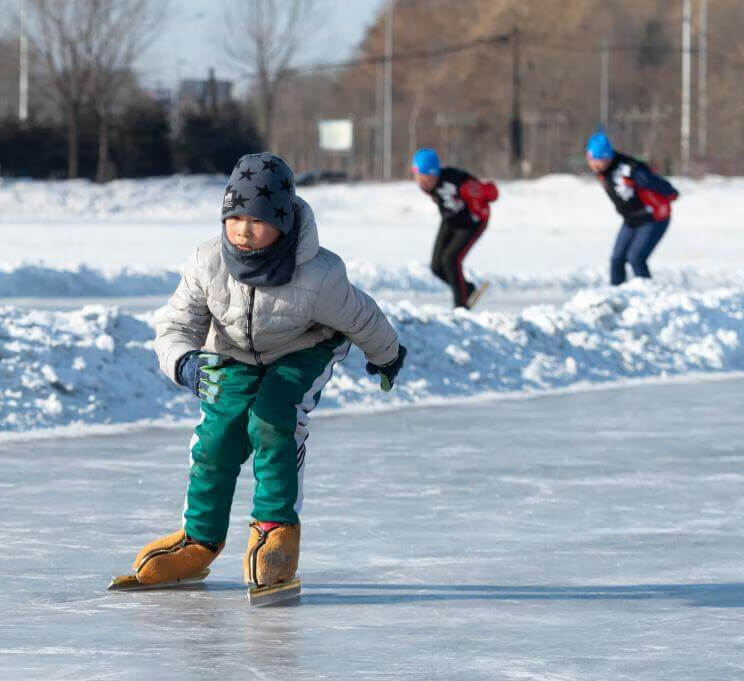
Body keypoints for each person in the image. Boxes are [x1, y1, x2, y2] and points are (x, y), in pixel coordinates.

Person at [132, 152, 408, 591]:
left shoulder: (319, 273)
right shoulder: (207, 261)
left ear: (282, 220)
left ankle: (275, 531)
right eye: (234, 217)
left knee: (273, 419)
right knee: (217, 437)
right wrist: (184, 362)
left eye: (257, 219)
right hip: (232, 354)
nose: (243, 230)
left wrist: (387, 355)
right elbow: (175, 325)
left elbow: (361, 317)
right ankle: (199, 540)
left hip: (303, 350)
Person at [585, 129, 679, 286]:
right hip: (631, 219)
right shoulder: (603, 169)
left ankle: (649, 297)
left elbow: (658, 183)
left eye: (599, 160)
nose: (594, 164)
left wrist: (671, 193)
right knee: (617, 259)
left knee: (636, 258)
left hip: (653, 218)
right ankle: (617, 295)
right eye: (591, 159)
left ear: (608, 157)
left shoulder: (630, 169)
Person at [411, 148, 499, 309]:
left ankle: (461, 305)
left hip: (473, 222)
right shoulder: (430, 186)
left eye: (425, 179)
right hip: (451, 219)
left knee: (451, 259)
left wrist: (484, 191)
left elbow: (492, 193)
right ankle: (468, 289)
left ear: (435, 174)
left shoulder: (456, 181)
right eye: (417, 178)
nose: (421, 184)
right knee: (437, 267)